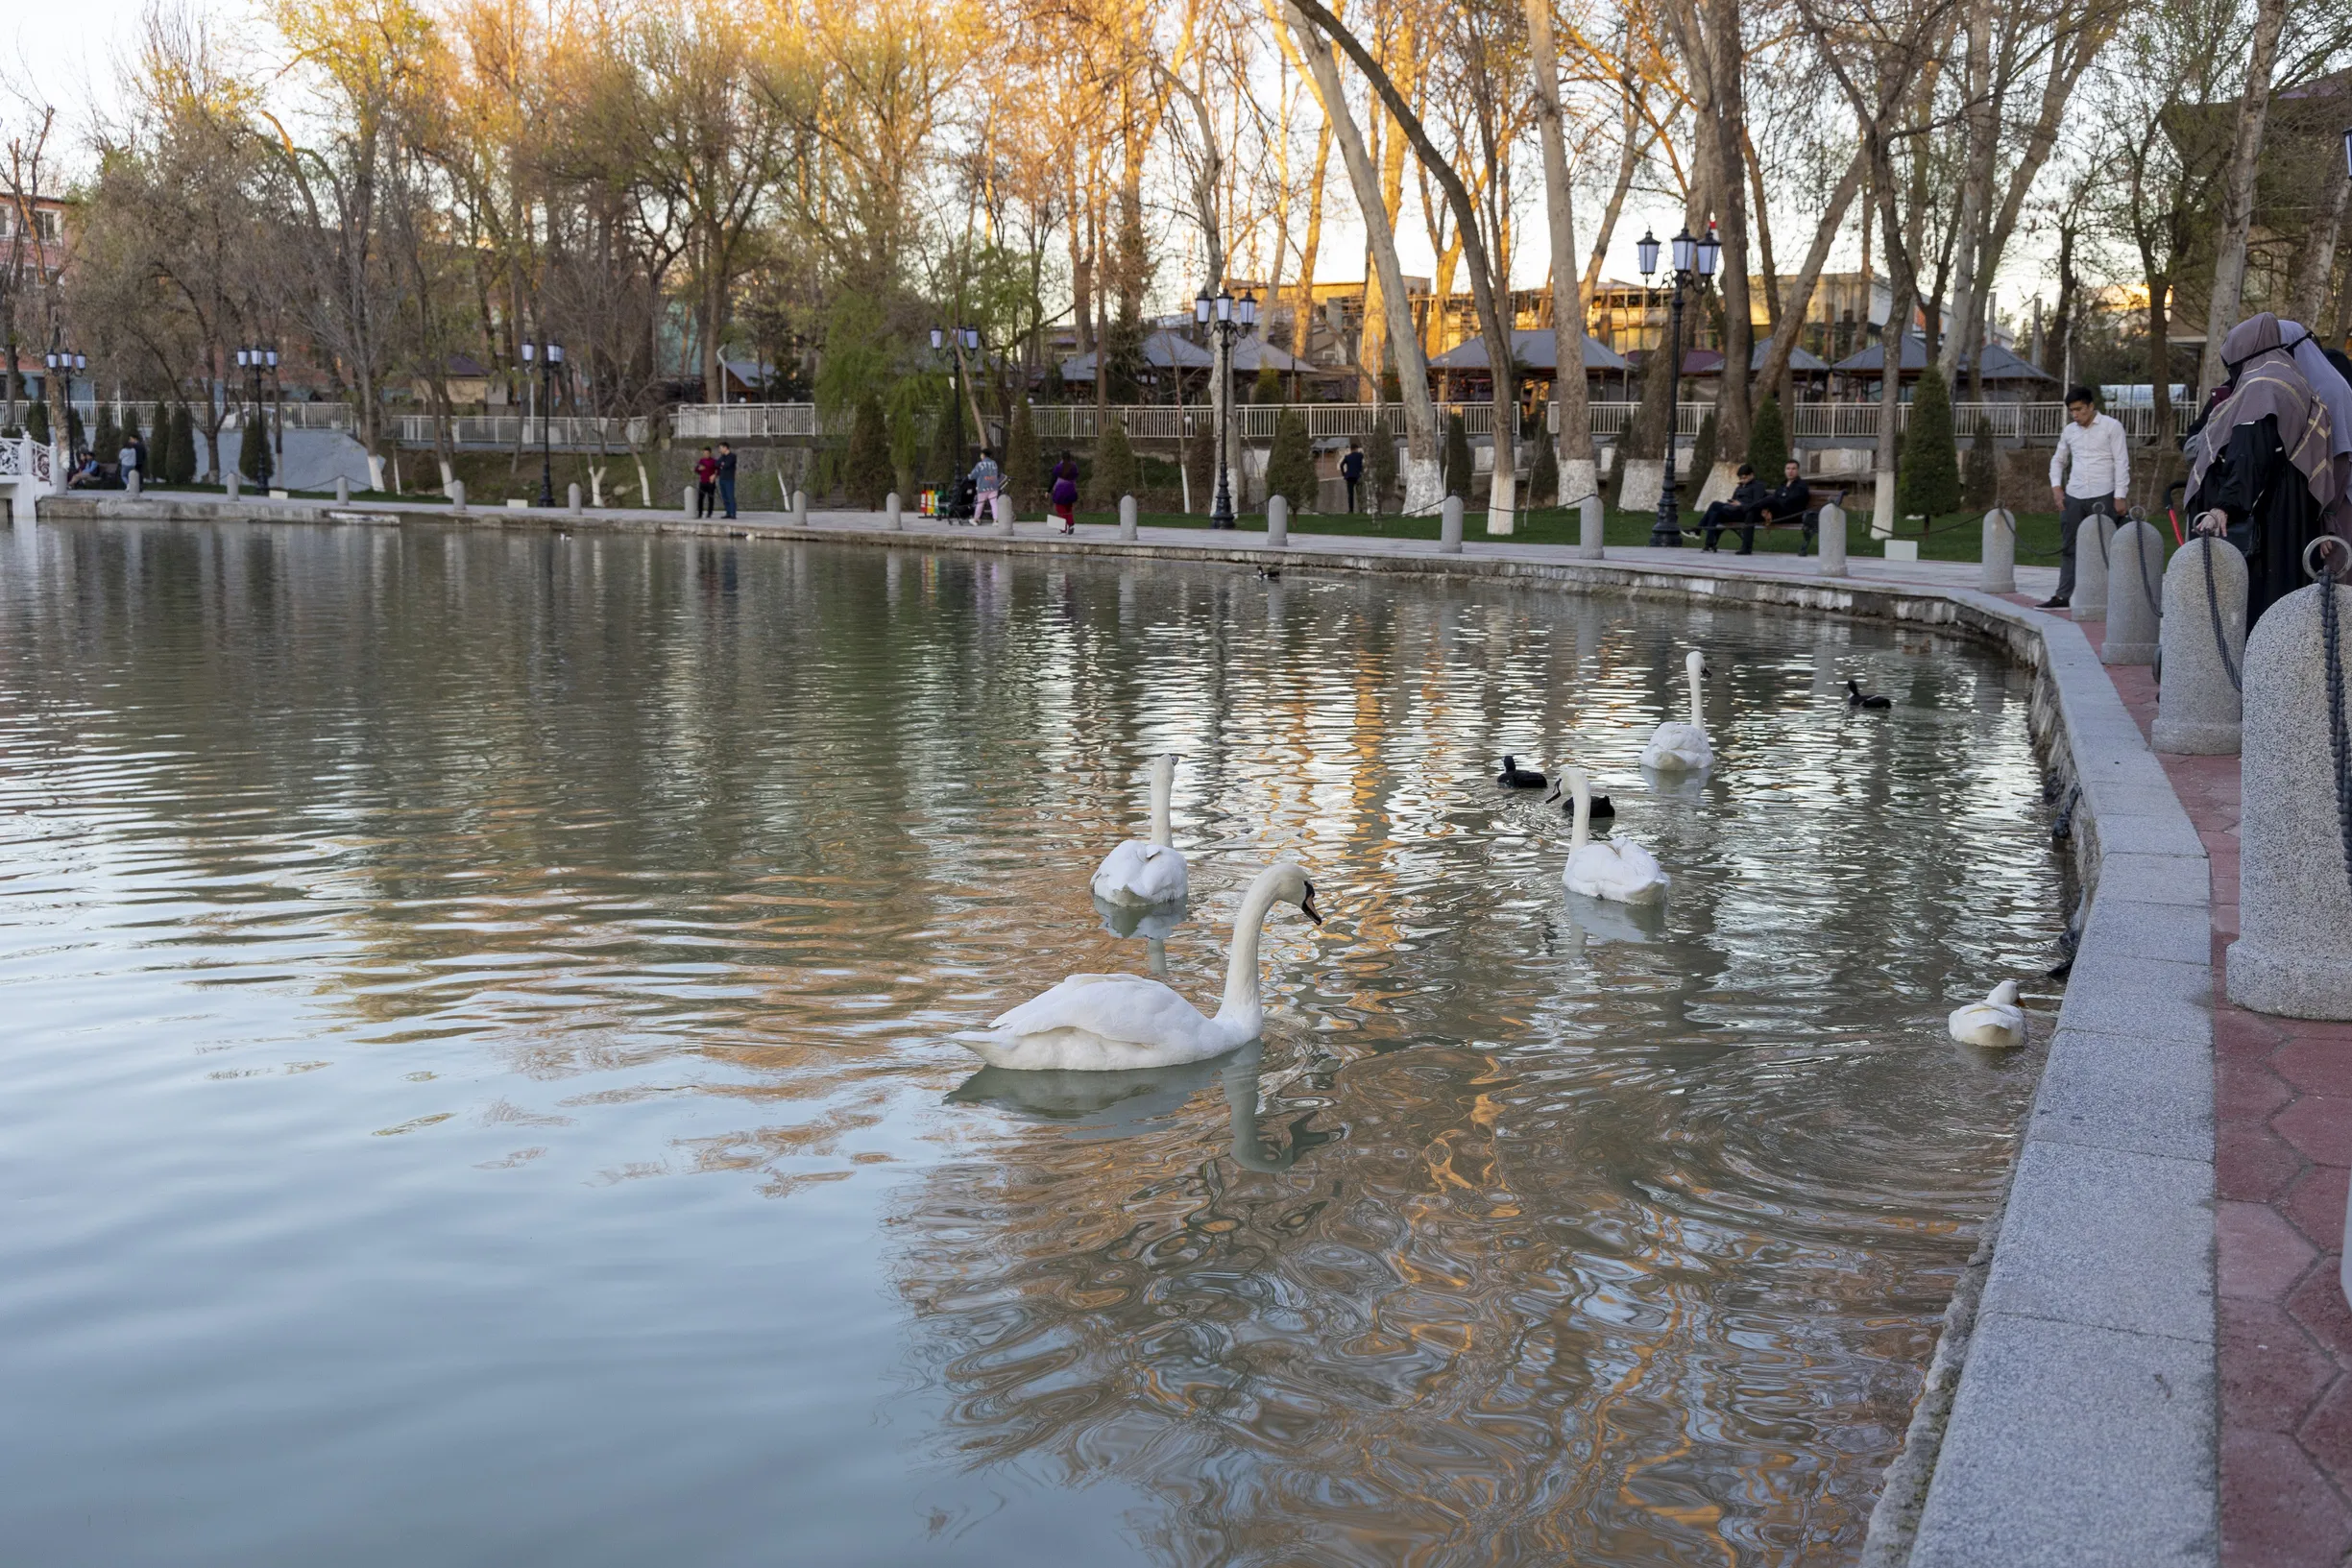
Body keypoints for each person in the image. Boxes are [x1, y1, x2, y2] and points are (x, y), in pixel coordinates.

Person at [2183, 312, 2352, 630]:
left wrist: (2223, 508)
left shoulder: (2263, 386)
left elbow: (2251, 453)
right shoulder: (2293, 381)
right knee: (2286, 611)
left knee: (2263, 612)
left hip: (2267, 524)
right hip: (2294, 517)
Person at [2042, 385, 2130, 608]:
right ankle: (2063, 596)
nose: (2076, 415)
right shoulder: (2070, 431)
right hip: (2075, 494)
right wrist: (2056, 487)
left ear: (2091, 406)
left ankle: (2112, 598)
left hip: (2104, 493)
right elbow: (2058, 460)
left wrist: (2120, 495)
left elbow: (2121, 461)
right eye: (2072, 411)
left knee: (2107, 546)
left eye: (2080, 409)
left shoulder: (2112, 427)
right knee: (2069, 546)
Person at [1698, 463, 1768, 553]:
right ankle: (1710, 544)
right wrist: (1732, 503)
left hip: (1746, 513)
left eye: (1744, 478)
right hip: (1734, 511)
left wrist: (1741, 505)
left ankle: (1698, 529)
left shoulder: (1758, 486)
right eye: (1741, 478)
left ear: (1752, 475)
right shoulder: (1739, 487)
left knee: (1715, 504)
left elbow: (1757, 504)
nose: (1742, 480)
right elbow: (1734, 499)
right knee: (1715, 513)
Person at [1049, 449, 1080, 534]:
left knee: (1060, 509)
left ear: (1062, 457)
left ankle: (1063, 528)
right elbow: (1076, 475)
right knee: (1068, 508)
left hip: (1060, 491)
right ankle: (1070, 524)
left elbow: (1053, 479)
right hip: (1071, 489)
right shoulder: (1074, 466)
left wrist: (1048, 490)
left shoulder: (1059, 467)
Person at [968, 447, 1001, 526]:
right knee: (994, 503)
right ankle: (996, 520)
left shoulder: (980, 464)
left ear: (983, 455)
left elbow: (973, 475)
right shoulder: (994, 463)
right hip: (993, 486)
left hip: (983, 487)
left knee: (980, 503)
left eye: (981, 454)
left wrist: (969, 476)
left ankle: (976, 519)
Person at [1341, 438, 1366, 513]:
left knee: (1350, 495)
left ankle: (1351, 510)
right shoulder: (1360, 455)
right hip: (1358, 476)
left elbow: (1341, 465)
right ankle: (1361, 509)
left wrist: (1344, 474)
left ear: (1351, 449)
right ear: (1356, 449)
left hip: (1349, 477)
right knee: (1360, 494)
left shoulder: (1347, 457)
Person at [716, 442, 738, 519]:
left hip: (729, 479)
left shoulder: (732, 456)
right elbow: (717, 463)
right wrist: (722, 464)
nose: (720, 450)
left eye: (721, 448)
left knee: (730, 496)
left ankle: (733, 513)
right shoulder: (722, 456)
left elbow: (727, 465)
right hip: (722, 478)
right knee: (724, 496)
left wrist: (722, 464)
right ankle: (728, 512)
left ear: (725, 448)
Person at [693, 446, 717, 518]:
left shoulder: (714, 461)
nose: (705, 455)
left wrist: (714, 476)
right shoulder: (701, 460)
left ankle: (709, 513)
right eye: (704, 453)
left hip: (710, 482)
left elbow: (718, 470)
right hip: (703, 482)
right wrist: (699, 468)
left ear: (710, 453)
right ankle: (700, 513)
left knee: (710, 498)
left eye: (707, 453)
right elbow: (696, 469)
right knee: (700, 498)